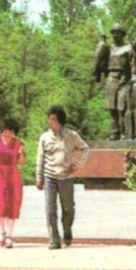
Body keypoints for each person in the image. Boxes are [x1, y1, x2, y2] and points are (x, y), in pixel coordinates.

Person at [35, 106, 89, 250]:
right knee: (50, 209)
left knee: (68, 208)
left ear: (60, 121)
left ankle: (67, 231)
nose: (51, 122)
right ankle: (54, 239)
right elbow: (40, 158)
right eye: (49, 119)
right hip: (49, 177)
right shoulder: (44, 137)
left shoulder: (71, 135)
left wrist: (77, 164)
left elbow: (85, 148)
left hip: (66, 176)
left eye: (54, 119)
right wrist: (38, 176)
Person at [0, 118, 25, 248]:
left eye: (10, 132)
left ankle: (9, 235)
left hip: (13, 175)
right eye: (5, 131)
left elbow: (22, 162)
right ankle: (1, 232)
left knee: (13, 203)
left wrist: (21, 153)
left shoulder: (18, 143)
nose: (7, 134)